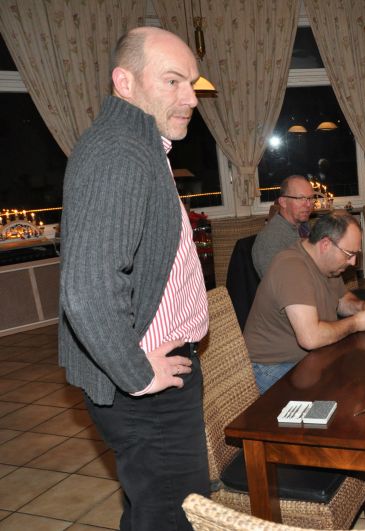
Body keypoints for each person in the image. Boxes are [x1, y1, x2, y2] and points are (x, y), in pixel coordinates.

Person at [59, 27, 209, 531]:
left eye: (191, 83)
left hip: (156, 371)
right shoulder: (120, 152)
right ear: (125, 82)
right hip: (147, 384)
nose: (191, 98)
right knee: (173, 515)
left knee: (155, 507)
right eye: (172, 81)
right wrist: (136, 374)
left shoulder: (141, 145)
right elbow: (87, 289)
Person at [244, 211, 365, 394]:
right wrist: (356, 322)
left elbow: (342, 300)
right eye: (349, 254)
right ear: (326, 244)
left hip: (310, 359)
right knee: (337, 398)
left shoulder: (328, 265)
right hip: (271, 366)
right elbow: (310, 338)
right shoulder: (291, 267)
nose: (353, 262)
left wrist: (362, 307)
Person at [251, 175, 313, 278]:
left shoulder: (303, 227)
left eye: (310, 198)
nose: (308, 204)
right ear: (283, 202)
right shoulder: (269, 240)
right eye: (301, 198)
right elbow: (279, 283)